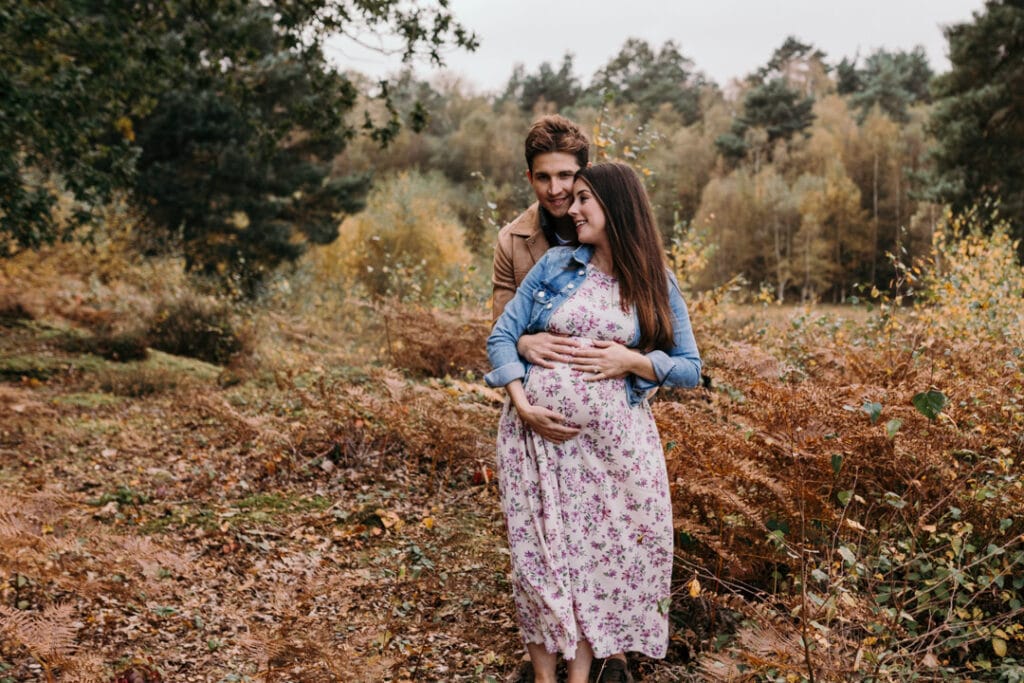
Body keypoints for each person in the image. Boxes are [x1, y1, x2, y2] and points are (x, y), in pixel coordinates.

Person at [485, 163, 702, 683]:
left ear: (617, 208)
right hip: (535, 443)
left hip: (615, 453)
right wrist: (523, 401)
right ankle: (543, 676)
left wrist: (633, 362)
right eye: (573, 197)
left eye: (584, 199)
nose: (572, 208)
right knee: (537, 564)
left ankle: (583, 675)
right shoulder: (557, 265)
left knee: (592, 566)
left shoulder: (655, 282)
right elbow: (499, 336)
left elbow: (691, 368)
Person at [493, 114, 592, 373]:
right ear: (529, 178)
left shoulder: (621, 232)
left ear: (587, 173)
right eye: (543, 177)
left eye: (565, 175)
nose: (554, 189)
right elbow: (500, 328)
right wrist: (524, 343)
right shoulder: (511, 241)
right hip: (535, 391)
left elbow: (656, 329)